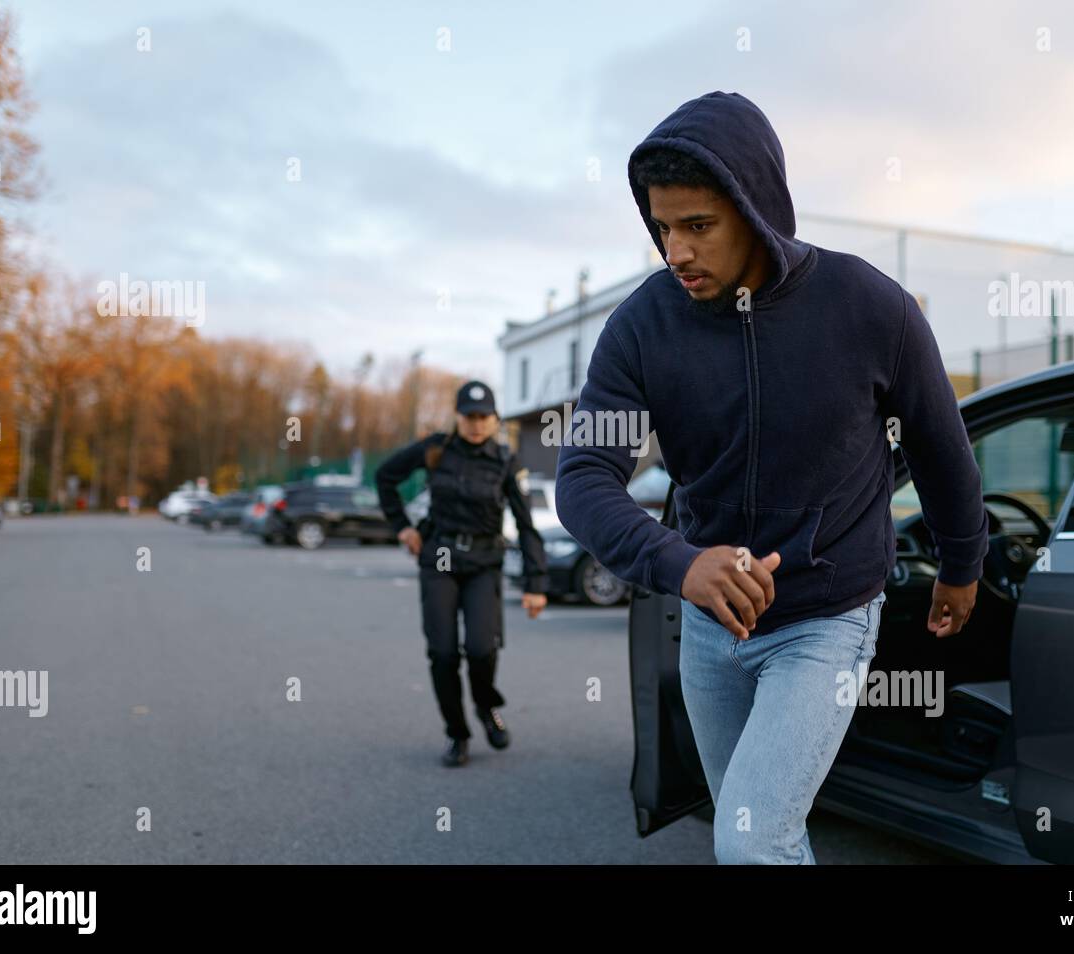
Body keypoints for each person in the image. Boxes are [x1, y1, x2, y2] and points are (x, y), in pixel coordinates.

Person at [554, 91, 989, 863]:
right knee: (754, 830)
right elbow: (584, 476)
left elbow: (940, 446)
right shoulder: (641, 327)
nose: (675, 252)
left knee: (752, 841)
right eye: (662, 228)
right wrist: (680, 563)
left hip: (826, 620)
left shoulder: (870, 308)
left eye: (697, 226)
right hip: (709, 625)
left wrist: (962, 566)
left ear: (755, 209)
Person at [376, 380, 549, 767]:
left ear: (494, 419)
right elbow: (386, 477)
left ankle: (486, 707)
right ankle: (457, 733)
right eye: (468, 416)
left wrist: (536, 584)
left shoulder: (507, 462)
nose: (475, 423)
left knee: (481, 649)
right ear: (457, 417)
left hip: (483, 563)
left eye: (483, 416)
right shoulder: (435, 449)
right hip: (439, 556)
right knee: (442, 653)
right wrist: (401, 526)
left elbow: (526, 526)